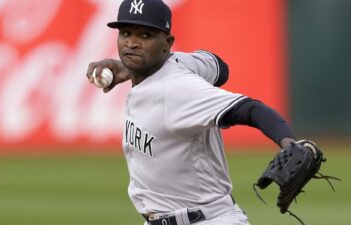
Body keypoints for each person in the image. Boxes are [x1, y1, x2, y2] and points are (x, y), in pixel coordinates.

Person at [86, 0, 297, 224]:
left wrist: (289, 144)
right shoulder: (181, 64)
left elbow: (249, 109)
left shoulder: (177, 89)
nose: (132, 43)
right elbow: (219, 67)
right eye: (126, 33)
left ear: (167, 43)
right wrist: (130, 68)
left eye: (145, 35)